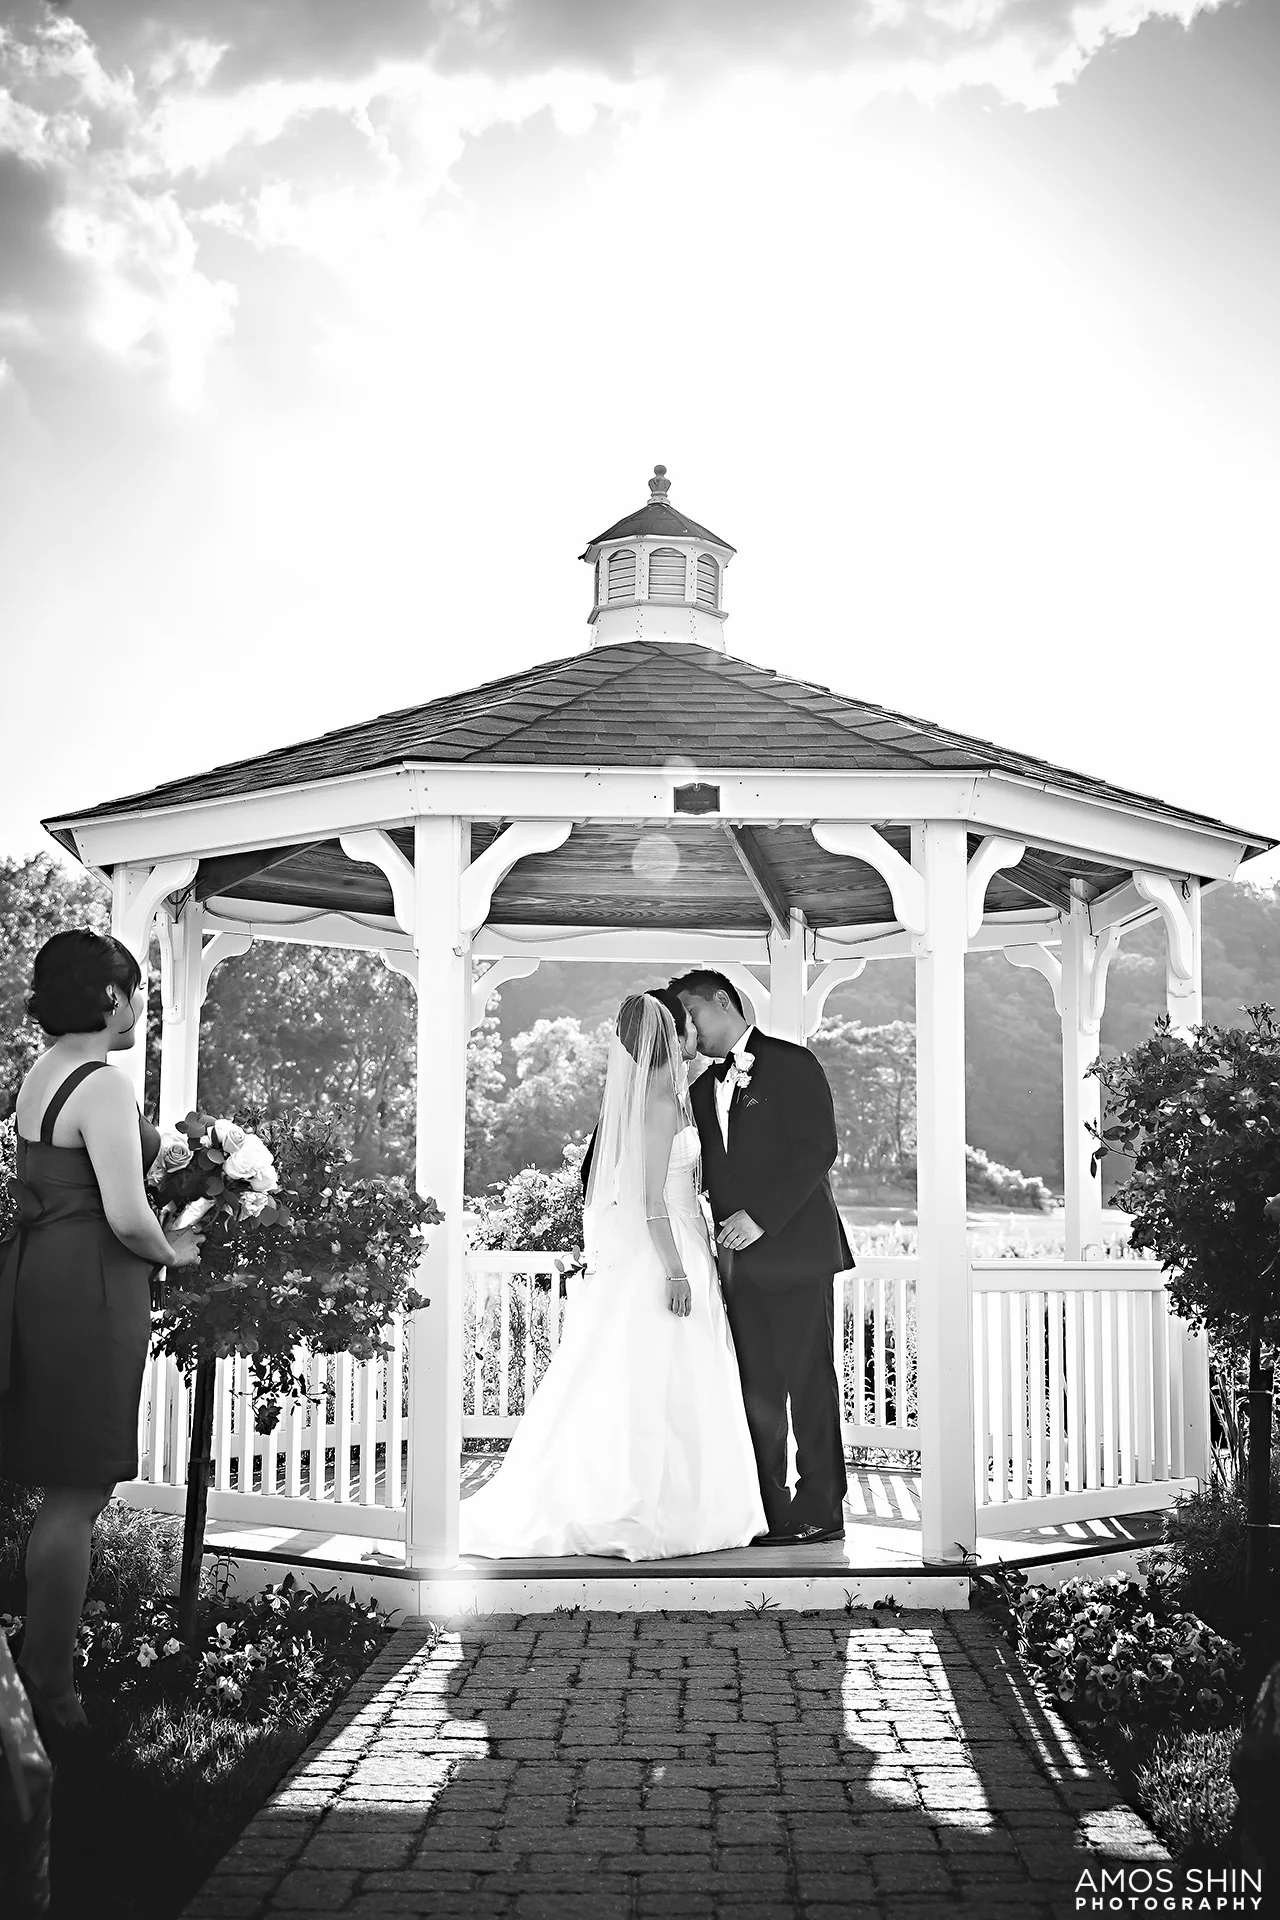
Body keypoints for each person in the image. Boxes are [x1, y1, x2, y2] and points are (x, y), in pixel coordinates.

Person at [461, 990, 765, 1560]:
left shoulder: (666, 1095)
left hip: (684, 1243)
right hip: (666, 1252)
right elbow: (650, 1202)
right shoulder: (658, 1104)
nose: (693, 1032)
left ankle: (681, 1503)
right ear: (669, 1038)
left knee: (673, 1377)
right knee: (655, 1379)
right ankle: (647, 1509)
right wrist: (676, 1272)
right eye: (684, 1025)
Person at [0, 930, 204, 1742]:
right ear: (112, 997)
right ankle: (49, 1686)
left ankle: (39, 1671)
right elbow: (125, 1216)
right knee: (78, 1491)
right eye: (138, 989)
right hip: (88, 1289)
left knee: (64, 1484)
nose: (142, 1004)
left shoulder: (42, 1073)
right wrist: (175, 1249)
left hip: (41, 1278)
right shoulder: (105, 1085)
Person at [672, 969, 852, 1546]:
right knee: (757, 1389)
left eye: (692, 1013)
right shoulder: (702, 1088)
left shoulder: (793, 1064)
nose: (689, 1027)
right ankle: (767, 1511)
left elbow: (817, 1149)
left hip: (798, 1254)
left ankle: (821, 1510)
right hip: (737, 1264)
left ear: (723, 1002)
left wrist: (760, 1218)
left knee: (809, 1383)